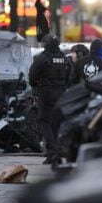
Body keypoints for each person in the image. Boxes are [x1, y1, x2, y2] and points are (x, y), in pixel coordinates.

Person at [29, 34, 70, 164]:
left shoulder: (42, 58)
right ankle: (56, 152)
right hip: (61, 93)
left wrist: (36, 86)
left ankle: (52, 152)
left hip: (46, 92)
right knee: (56, 122)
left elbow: (32, 75)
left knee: (44, 121)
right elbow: (70, 74)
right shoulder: (64, 58)